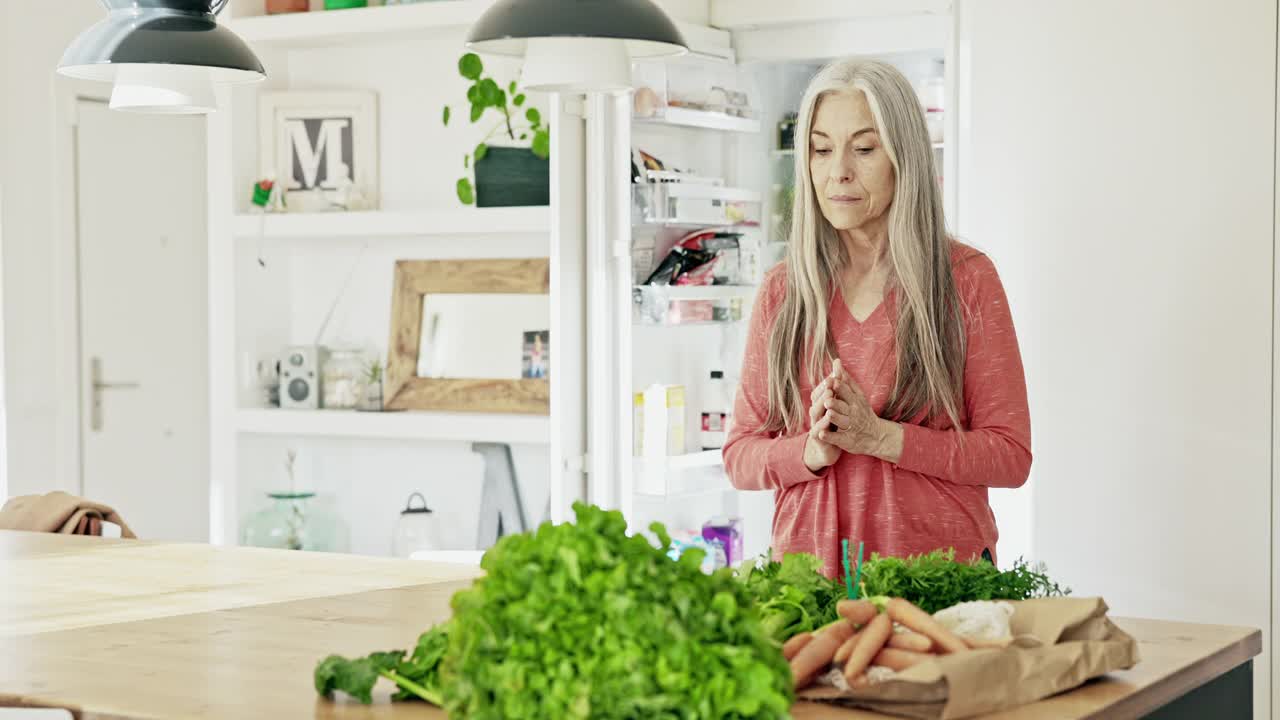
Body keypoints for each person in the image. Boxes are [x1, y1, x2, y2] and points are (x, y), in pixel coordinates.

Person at [723, 59, 1031, 578]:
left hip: (939, 587)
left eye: (863, 149)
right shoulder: (784, 290)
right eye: (821, 149)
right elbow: (740, 455)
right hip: (809, 586)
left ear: (902, 158)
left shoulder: (967, 280)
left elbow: (1009, 455)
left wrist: (881, 437)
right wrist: (812, 449)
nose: (837, 170)